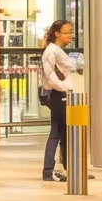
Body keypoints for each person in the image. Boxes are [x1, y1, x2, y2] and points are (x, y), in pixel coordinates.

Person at [37, 21, 80, 180]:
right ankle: (48, 171)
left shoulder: (57, 51)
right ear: (57, 34)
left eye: (71, 32)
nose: (70, 35)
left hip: (61, 93)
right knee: (57, 132)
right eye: (67, 32)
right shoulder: (51, 52)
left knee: (63, 132)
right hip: (57, 94)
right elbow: (51, 78)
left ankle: (68, 169)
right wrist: (65, 89)